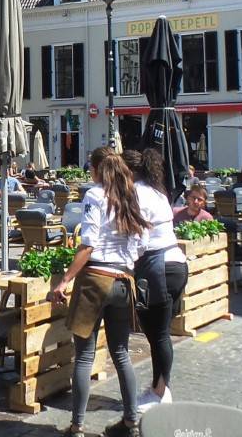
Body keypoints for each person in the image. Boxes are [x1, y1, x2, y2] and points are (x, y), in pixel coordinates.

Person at [50, 148, 148, 435]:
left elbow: (89, 244)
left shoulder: (94, 195)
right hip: (123, 280)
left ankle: (77, 426)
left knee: (84, 356)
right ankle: (131, 420)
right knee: (121, 353)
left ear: (95, 170)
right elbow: (141, 244)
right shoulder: (130, 196)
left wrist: (65, 280)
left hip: (96, 279)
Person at [123, 149, 188, 410]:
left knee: (157, 334)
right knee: (160, 334)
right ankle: (160, 388)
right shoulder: (159, 191)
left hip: (156, 268)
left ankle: (161, 392)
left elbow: (140, 239)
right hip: (176, 263)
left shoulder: (136, 193)